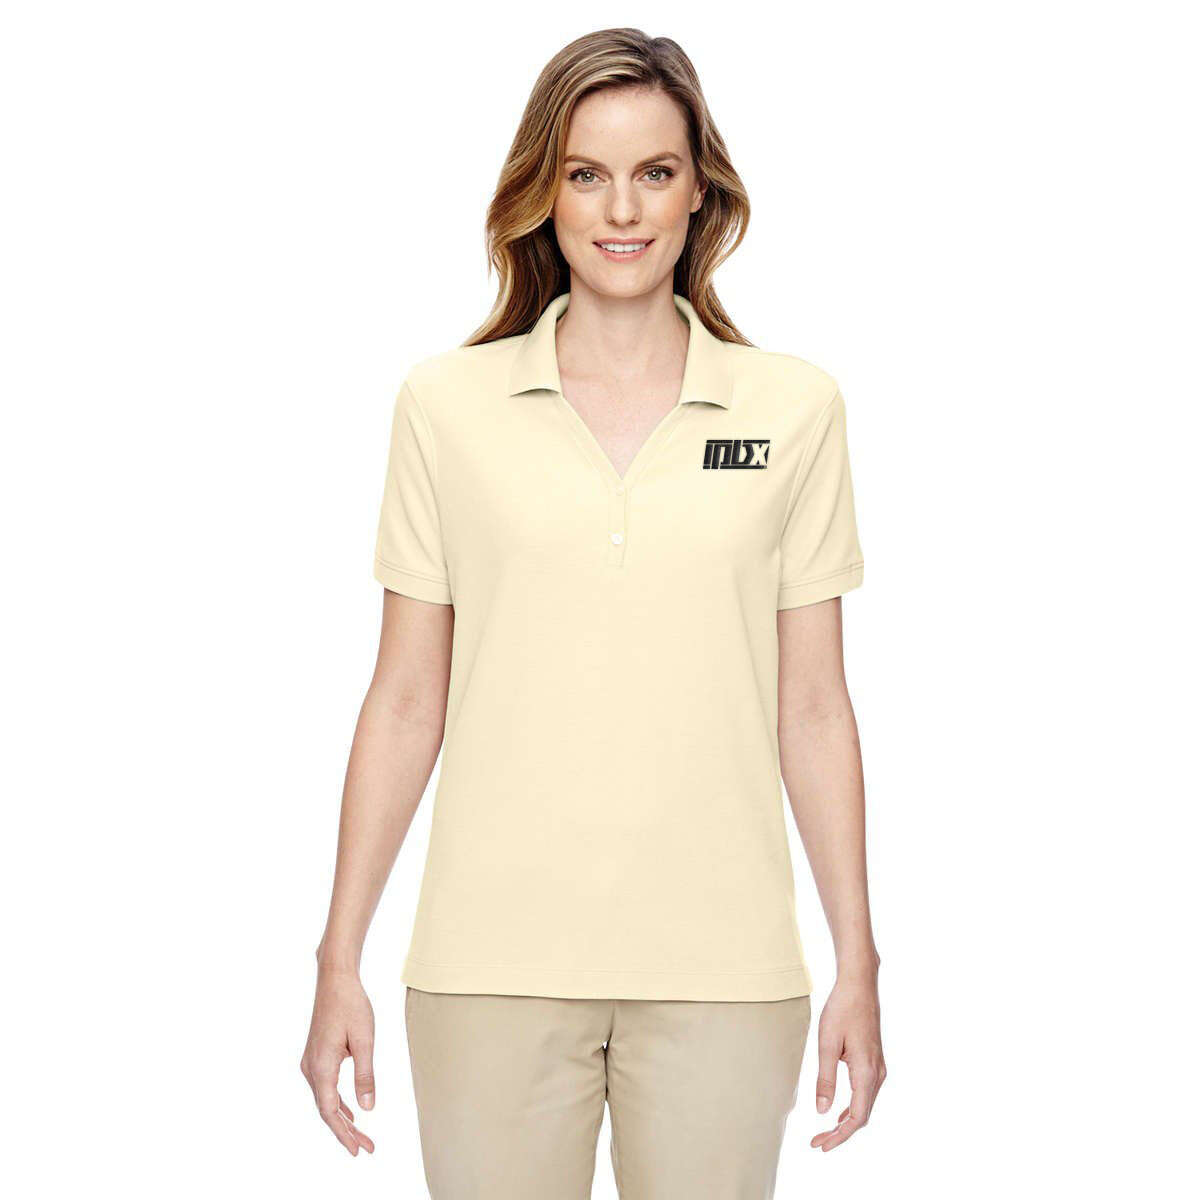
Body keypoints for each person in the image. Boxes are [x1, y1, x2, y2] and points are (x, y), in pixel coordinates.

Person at [300, 26, 885, 1199]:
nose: (623, 209)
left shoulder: (793, 411)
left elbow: (815, 708)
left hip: (726, 973)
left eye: (654, 172)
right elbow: (406, 700)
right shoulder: (446, 406)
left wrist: (858, 962)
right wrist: (337, 957)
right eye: (586, 173)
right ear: (544, 192)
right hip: (488, 966)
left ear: (700, 190)